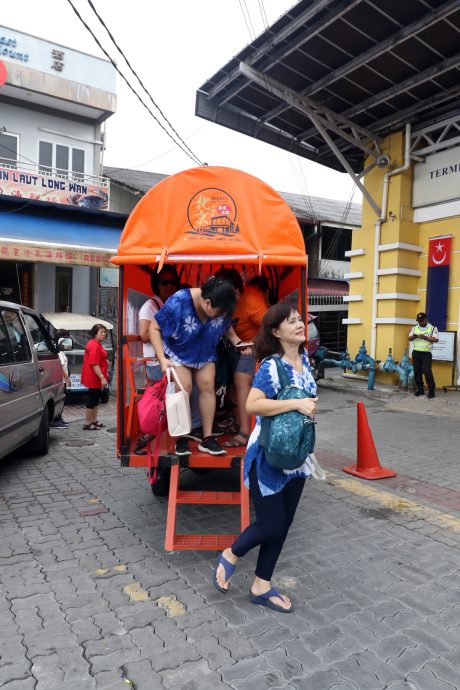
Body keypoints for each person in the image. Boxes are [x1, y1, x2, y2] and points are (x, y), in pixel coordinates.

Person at [212, 302, 318, 612]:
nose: (299, 325)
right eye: (291, 322)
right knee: (270, 525)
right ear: (275, 331)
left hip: (297, 456)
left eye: (300, 320)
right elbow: (252, 405)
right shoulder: (273, 366)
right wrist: (296, 405)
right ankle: (232, 553)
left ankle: (261, 585)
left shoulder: (306, 361)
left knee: (283, 525)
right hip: (268, 457)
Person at [150, 276, 243, 456]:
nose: (221, 316)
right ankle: (182, 437)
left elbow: (228, 330)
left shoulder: (221, 306)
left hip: (204, 350)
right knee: (184, 388)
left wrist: (239, 343)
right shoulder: (179, 301)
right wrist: (162, 358)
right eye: (219, 313)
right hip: (179, 350)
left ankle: (207, 439)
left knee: (208, 386)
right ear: (207, 303)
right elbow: (154, 328)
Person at [223, 275, 270, 447]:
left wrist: (255, 345)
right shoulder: (221, 300)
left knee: (241, 378)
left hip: (254, 345)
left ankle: (245, 431)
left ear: (237, 291)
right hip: (232, 346)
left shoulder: (251, 300)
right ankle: (236, 421)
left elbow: (270, 325)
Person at [139, 265, 180, 382]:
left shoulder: (170, 304)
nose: (169, 286)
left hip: (172, 359)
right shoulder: (150, 306)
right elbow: (144, 335)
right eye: (164, 282)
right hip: (156, 364)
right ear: (156, 284)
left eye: (172, 282)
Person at [81, 324, 108, 430]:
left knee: (96, 398)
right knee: (92, 399)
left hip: (95, 376)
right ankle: (88, 422)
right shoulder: (95, 345)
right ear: (95, 333)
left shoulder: (95, 343)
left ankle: (93, 420)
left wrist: (105, 361)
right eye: (101, 332)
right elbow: (94, 364)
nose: (104, 334)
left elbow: (98, 359)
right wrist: (102, 377)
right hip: (94, 377)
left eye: (104, 332)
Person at [409, 311, 439, 399]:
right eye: (418, 320)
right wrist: (414, 336)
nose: (420, 322)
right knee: (417, 371)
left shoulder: (432, 328)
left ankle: (431, 390)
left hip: (426, 353)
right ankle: (420, 389)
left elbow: (436, 339)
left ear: (426, 320)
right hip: (416, 352)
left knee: (427, 371)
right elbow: (409, 338)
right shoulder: (414, 328)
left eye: (421, 320)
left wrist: (425, 337)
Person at [49, 328, 71, 429]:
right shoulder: (58, 350)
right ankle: (56, 420)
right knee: (60, 399)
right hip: (61, 380)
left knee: (61, 399)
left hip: (60, 380)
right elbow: (61, 366)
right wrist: (67, 378)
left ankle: (59, 418)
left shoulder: (58, 349)